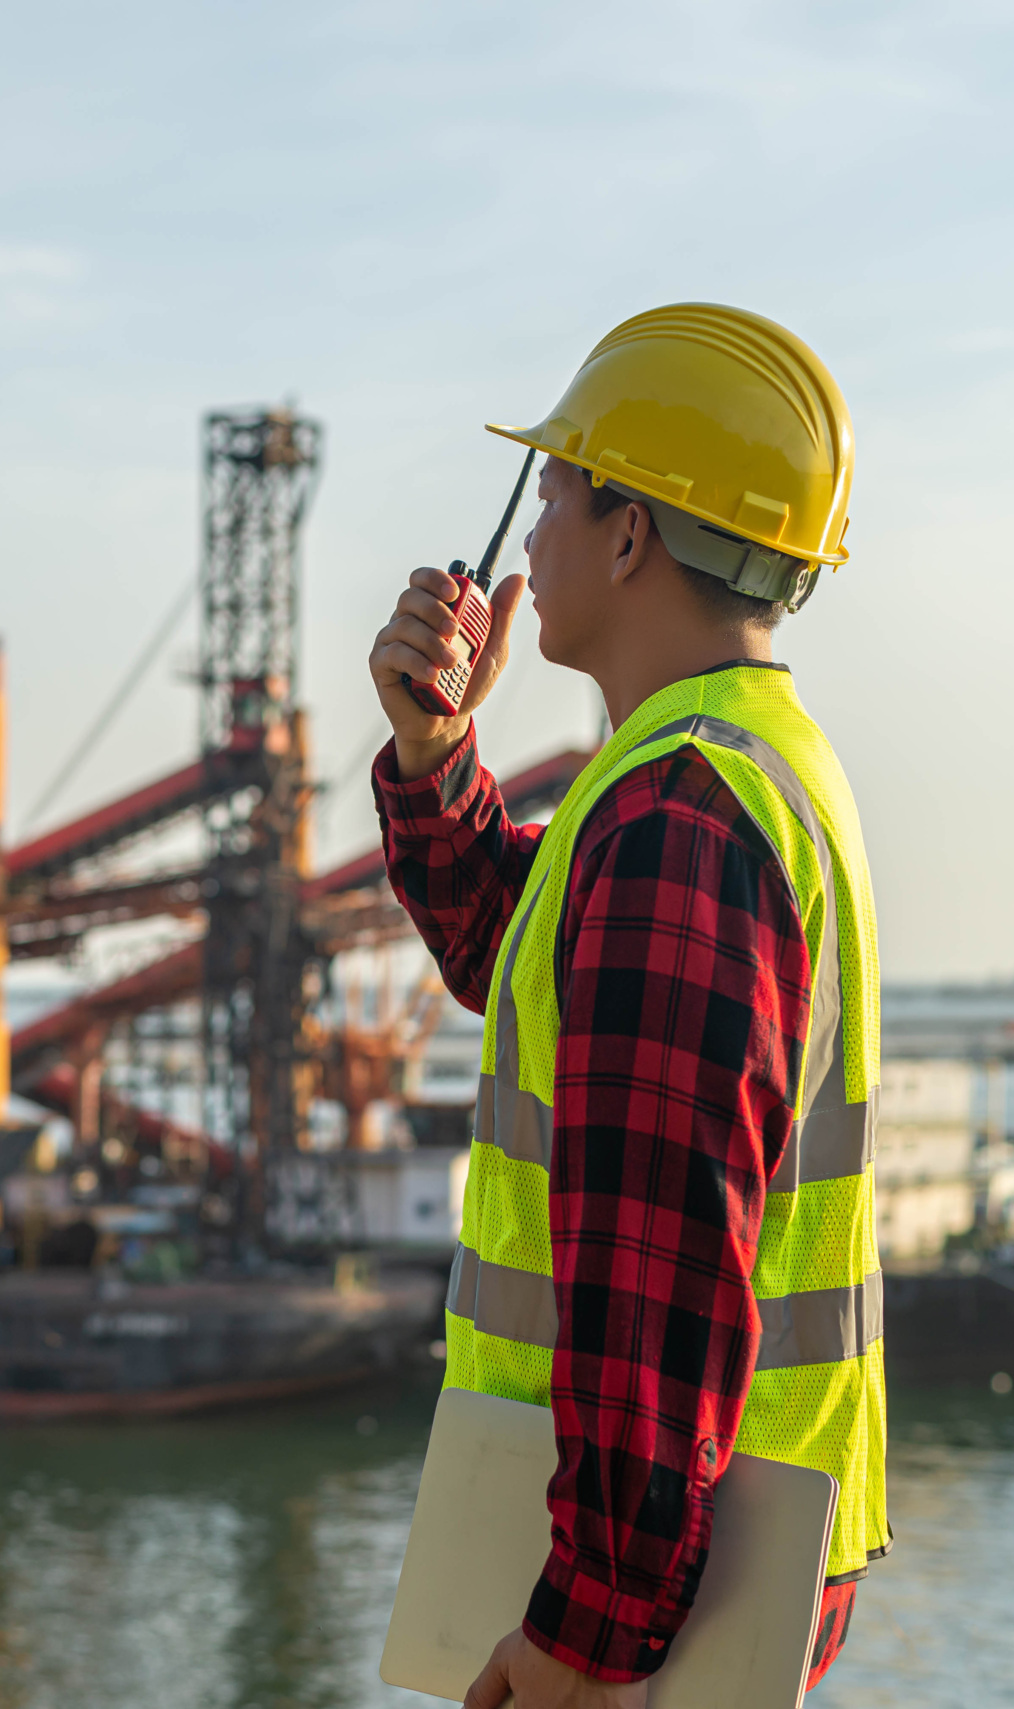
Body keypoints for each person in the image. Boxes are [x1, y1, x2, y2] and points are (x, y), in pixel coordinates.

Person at [368, 304, 887, 1708]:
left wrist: (586, 1640)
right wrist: (436, 751)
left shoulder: (681, 817)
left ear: (630, 534)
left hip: (656, 1597)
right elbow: (532, 968)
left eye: (557, 487)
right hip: (715, 1547)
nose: (529, 537)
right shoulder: (730, 769)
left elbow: (659, 1266)